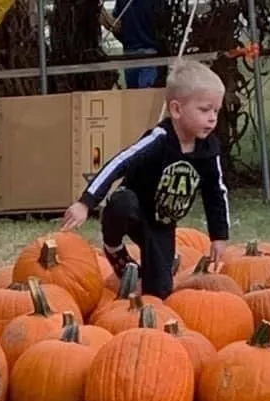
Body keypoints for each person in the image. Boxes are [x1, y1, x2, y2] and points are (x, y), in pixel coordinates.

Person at [62, 57, 229, 299]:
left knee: (159, 292)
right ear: (176, 109)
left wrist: (219, 235)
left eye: (216, 110)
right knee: (123, 202)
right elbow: (119, 162)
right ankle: (113, 247)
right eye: (204, 110)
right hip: (134, 209)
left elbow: (216, 192)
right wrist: (85, 202)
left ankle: (149, 272)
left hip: (162, 222)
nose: (212, 118)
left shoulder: (209, 150)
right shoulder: (158, 139)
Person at [102, 0, 163, 91]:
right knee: (147, 96)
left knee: (132, 96)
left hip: (129, 55)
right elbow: (162, 22)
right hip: (150, 54)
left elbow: (116, 26)